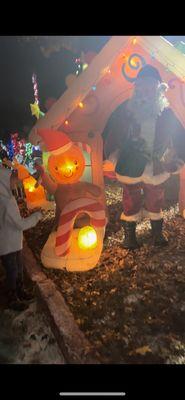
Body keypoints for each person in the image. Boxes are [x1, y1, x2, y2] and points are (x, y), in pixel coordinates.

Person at [102, 64, 185, 249]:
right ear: (137, 89)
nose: (146, 92)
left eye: (150, 87)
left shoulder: (166, 113)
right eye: (142, 87)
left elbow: (178, 135)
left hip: (156, 164)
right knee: (130, 198)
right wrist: (112, 154)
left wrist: (178, 158)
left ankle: (156, 232)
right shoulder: (127, 111)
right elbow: (115, 132)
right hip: (131, 162)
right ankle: (129, 235)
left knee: (156, 197)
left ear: (157, 89)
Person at [0, 167, 42, 310]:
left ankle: (20, 292)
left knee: (17, 269)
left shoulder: (6, 198)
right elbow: (20, 224)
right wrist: (37, 216)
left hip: (12, 242)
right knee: (12, 272)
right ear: (3, 181)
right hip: (8, 245)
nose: (16, 184)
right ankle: (12, 298)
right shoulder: (6, 202)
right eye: (13, 181)